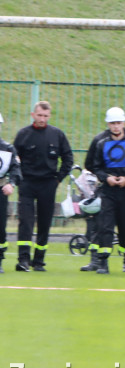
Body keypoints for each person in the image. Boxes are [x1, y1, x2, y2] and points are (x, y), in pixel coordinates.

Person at [83, 107, 125, 275]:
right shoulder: (100, 141)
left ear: (124, 123)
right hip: (108, 191)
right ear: (108, 124)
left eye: (119, 123)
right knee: (106, 226)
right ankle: (103, 262)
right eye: (112, 123)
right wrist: (105, 177)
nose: (116, 126)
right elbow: (93, 165)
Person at [13, 101, 74, 272]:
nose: (42, 119)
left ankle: (39, 261)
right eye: (39, 115)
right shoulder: (23, 134)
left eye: (45, 116)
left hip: (48, 183)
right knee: (25, 221)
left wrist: (58, 179)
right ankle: (23, 259)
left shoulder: (57, 135)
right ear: (33, 114)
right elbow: (14, 159)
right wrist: (19, 179)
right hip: (27, 183)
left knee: (45, 222)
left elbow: (68, 158)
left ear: (49, 116)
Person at [0, 112, 23, 274]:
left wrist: (11, 184)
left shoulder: (7, 149)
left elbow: (16, 169)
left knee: (0, 227)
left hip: (0, 191)